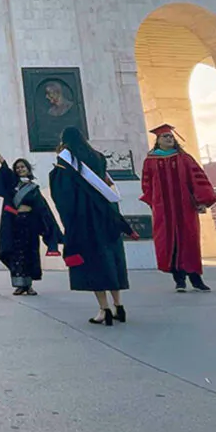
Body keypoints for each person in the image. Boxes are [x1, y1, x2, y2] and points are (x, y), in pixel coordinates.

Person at [49, 127, 137, 326]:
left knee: (95, 262)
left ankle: (104, 309)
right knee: (112, 259)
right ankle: (119, 306)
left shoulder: (66, 162)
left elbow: (65, 196)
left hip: (85, 219)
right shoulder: (98, 157)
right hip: (107, 215)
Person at [139, 124, 216, 292]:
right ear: (158, 140)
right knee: (170, 244)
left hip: (185, 207)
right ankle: (179, 280)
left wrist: (201, 201)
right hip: (164, 210)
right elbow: (147, 185)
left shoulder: (185, 159)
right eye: (165, 136)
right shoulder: (150, 161)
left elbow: (197, 180)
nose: (169, 139)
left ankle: (196, 280)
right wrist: (154, 202)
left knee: (190, 242)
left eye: (171, 136)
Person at [0, 135, 63, 295]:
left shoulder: (34, 188)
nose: (20, 169)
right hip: (15, 223)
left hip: (29, 225)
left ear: (28, 169)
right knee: (16, 255)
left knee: (29, 253)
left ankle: (29, 286)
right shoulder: (13, 183)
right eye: (18, 168)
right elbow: (3, 164)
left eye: (23, 167)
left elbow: (42, 209)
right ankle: (19, 285)